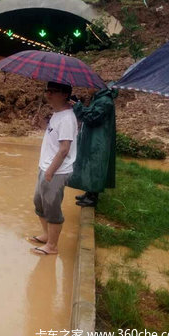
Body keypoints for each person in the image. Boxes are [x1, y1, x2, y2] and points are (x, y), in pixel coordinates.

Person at [29, 81, 78, 256]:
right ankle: (46, 235)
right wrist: (41, 124)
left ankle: (52, 246)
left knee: (52, 207)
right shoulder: (57, 114)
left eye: (53, 91)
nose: (48, 94)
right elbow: (53, 136)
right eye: (47, 90)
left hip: (56, 170)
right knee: (39, 202)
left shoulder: (66, 118)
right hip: (46, 166)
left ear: (65, 95)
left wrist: (50, 171)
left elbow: (64, 149)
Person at [68, 87, 118, 208]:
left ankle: (92, 198)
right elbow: (91, 114)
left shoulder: (105, 101)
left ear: (96, 86)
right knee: (91, 165)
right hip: (94, 137)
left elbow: (93, 118)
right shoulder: (99, 99)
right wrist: (78, 105)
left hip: (99, 140)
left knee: (95, 166)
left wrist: (77, 107)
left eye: (88, 86)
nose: (87, 89)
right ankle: (89, 193)